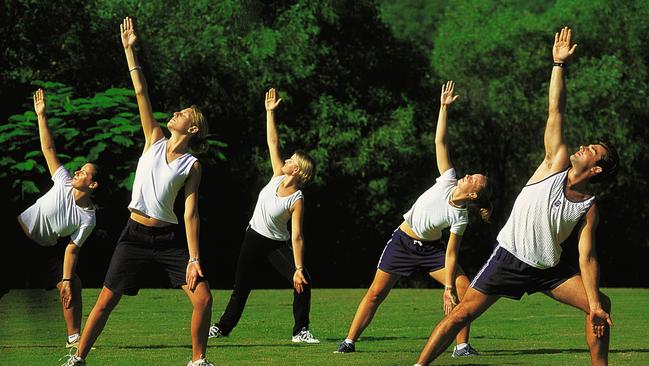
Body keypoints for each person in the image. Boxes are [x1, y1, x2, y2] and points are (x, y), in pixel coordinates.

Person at [414, 27, 618, 366]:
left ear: (596, 169)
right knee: (461, 316)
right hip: (508, 258)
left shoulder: (588, 207)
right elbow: (556, 111)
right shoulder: (555, 163)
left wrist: (594, 303)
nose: (583, 147)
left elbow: (588, 258)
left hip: (548, 270)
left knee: (602, 306)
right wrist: (558, 65)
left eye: (592, 151)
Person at [60, 17, 214, 366]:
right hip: (133, 236)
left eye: (183, 113)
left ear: (192, 127)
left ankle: (198, 361)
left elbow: (190, 213)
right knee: (104, 302)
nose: (175, 112)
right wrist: (130, 50)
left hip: (169, 241)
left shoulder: (192, 165)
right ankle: (78, 358)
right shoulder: (154, 139)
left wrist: (193, 258)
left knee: (203, 298)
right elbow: (141, 92)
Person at [334, 81, 491, 357]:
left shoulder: (460, 216)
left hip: (431, 251)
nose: (467, 176)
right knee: (375, 294)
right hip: (403, 241)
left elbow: (451, 253)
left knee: (463, 286)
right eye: (470, 174)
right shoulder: (448, 179)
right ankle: (349, 341)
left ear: (474, 195)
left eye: (473, 179)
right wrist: (443, 108)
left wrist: (447, 287)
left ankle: (462, 346)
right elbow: (439, 142)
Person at [207, 87, 318, 344]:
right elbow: (273, 142)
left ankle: (300, 331)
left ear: (298, 171)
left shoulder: (297, 198)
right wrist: (269, 113)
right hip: (253, 238)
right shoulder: (277, 175)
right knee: (241, 288)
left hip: (275, 244)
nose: (286, 160)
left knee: (303, 281)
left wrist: (298, 268)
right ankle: (222, 328)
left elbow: (298, 236)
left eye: (291, 160)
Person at [17, 88, 99, 349]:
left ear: (93, 185)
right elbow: (48, 147)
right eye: (79, 169)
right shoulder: (63, 180)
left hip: (45, 249)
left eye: (84, 172)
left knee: (73, 283)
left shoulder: (88, 217)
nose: (77, 171)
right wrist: (41, 115)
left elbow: (71, 249)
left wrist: (65, 280)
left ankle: (74, 338)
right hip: (15, 236)